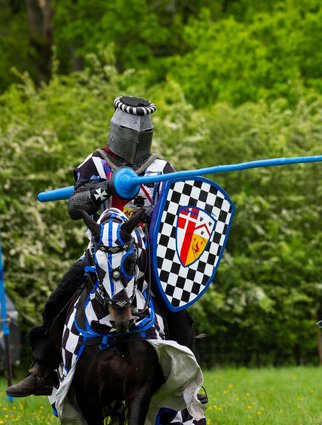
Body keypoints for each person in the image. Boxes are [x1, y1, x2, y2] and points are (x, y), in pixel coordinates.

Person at [7, 96, 199, 398]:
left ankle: (187, 379)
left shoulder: (162, 168)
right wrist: (107, 188)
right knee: (58, 301)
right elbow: (75, 206)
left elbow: (175, 214)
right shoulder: (95, 163)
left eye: (141, 131)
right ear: (118, 129)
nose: (135, 136)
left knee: (178, 312)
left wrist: (154, 213)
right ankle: (41, 370)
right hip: (100, 257)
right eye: (130, 129)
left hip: (143, 257)